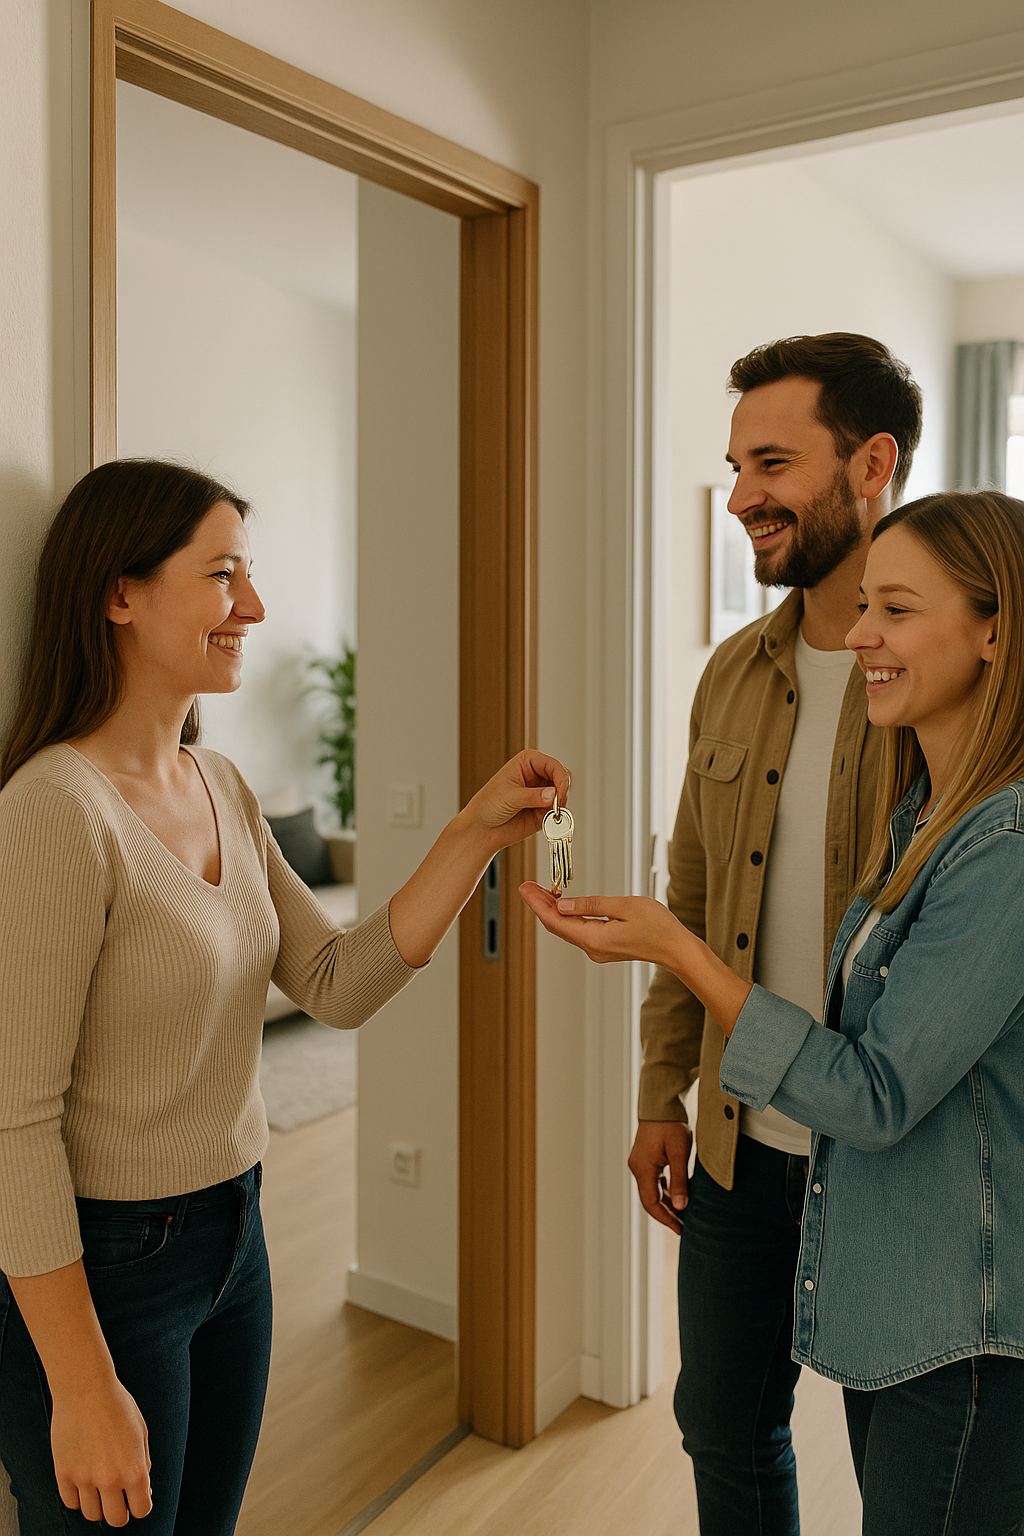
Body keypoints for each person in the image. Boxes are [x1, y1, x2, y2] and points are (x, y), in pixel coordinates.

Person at [0, 459, 570, 1535]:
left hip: (235, 1240)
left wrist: (475, 834)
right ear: (118, 594)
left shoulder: (218, 784)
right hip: (105, 1271)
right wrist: (80, 1386)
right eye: (222, 575)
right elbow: (12, 1120)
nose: (252, 607)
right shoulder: (53, 812)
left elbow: (332, 983)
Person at [523, 488, 1024, 1534]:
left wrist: (674, 947)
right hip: (868, 1245)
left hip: (961, 1312)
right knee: (727, 1424)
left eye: (894, 610)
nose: (860, 637)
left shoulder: (1002, 845)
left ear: (994, 629)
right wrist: (666, 1057)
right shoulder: (923, 812)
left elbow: (879, 1088)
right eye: (862, 608)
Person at [634, 333, 924, 1533]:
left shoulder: (941, 675)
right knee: (722, 1425)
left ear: (871, 465)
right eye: (733, 466)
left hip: (892, 1162)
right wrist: (662, 1090)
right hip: (742, 1143)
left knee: (901, 1472)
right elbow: (692, 897)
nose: (742, 495)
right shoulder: (732, 675)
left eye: (770, 462)